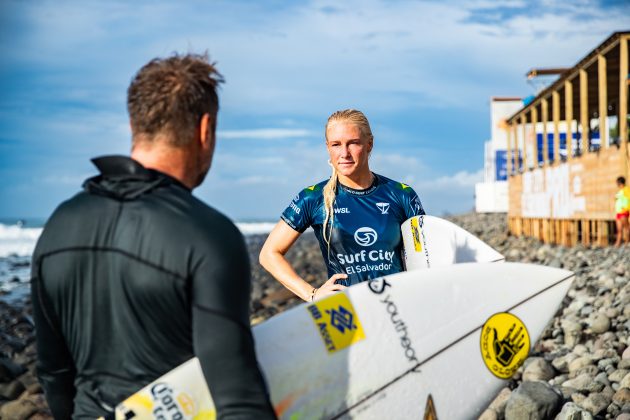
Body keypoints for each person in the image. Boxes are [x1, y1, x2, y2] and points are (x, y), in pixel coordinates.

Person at [31, 54, 276, 419]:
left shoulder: (58, 226)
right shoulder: (208, 236)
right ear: (205, 130)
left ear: (134, 123)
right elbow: (239, 401)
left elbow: (53, 373)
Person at [259, 109, 425, 302]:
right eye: (336, 144)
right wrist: (311, 294)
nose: (344, 153)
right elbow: (269, 254)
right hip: (347, 311)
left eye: (353, 143)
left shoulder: (401, 194)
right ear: (328, 147)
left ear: (369, 144)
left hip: (399, 306)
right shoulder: (313, 198)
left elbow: (426, 255)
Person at [614, 175, 630, 246]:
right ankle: (618, 243)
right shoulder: (619, 191)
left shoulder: (626, 190)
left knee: (627, 227)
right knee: (619, 229)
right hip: (619, 212)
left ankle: (627, 241)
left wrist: (625, 208)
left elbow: (628, 199)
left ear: (620, 183)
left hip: (624, 211)